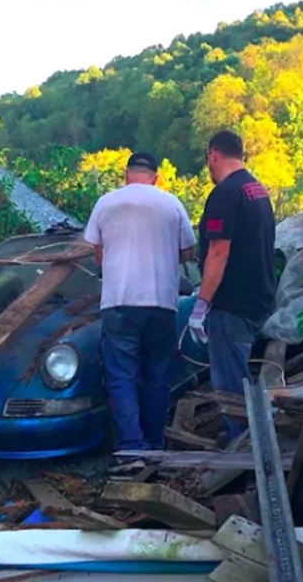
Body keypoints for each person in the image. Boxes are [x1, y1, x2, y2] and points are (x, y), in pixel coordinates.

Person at [84, 152, 196, 471]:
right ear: (156, 176)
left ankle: (131, 450)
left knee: (121, 375)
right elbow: (188, 251)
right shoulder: (171, 203)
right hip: (161, 301)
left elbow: (98, 253)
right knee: (158, 374)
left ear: (126, 174)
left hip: (119, 300)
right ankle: (155, 444)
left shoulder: (106, 203)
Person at [188, 130, 277, 443]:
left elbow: (218, 251)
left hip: (233, 303)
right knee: (241, 373)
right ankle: (247, 440)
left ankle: (241, 449)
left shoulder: (225, 194)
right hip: (258, 296)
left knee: (229, 383)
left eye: (208, 160)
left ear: (213, 154)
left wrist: (202, 303)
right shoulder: (256, 189)